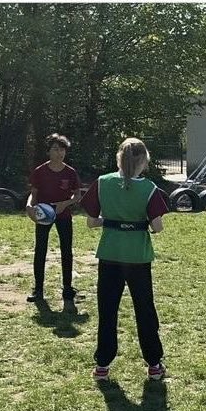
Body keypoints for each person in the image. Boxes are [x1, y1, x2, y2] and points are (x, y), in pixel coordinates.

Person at [81, 137, 169, 381]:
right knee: (144, 310)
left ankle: (102, 366)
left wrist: (110, 221)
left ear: (119, 159)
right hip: (137, 257)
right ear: (143, 162)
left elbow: (90, 222)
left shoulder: (102, 183)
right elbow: (158, 227)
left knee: (108, 310)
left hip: (110, 254)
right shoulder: (149, 189)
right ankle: (153, 364)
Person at [26, 133, 82, 311]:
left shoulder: (70, 172)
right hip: (43, 215)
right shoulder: (40, 171)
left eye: (62, 149)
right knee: (40, 250)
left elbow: (77, 195)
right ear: (49, 151)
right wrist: (29, 207)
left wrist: (65, 203)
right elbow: (33, 195)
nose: (59, 153)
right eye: (56, 149)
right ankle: (38, 290)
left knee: (67, 251)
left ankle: (67, 289)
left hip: (63, 215)